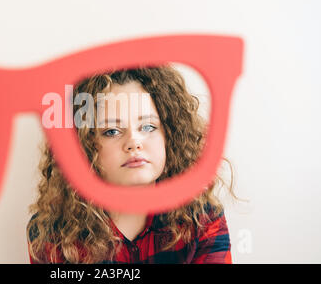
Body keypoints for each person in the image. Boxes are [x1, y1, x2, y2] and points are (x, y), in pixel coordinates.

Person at [27, 64, 241, 263]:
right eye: (111, 131)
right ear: (84, 145)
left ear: (171, 135)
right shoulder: (52, 232)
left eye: (148, 127)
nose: (133, 143)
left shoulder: (203, 217)